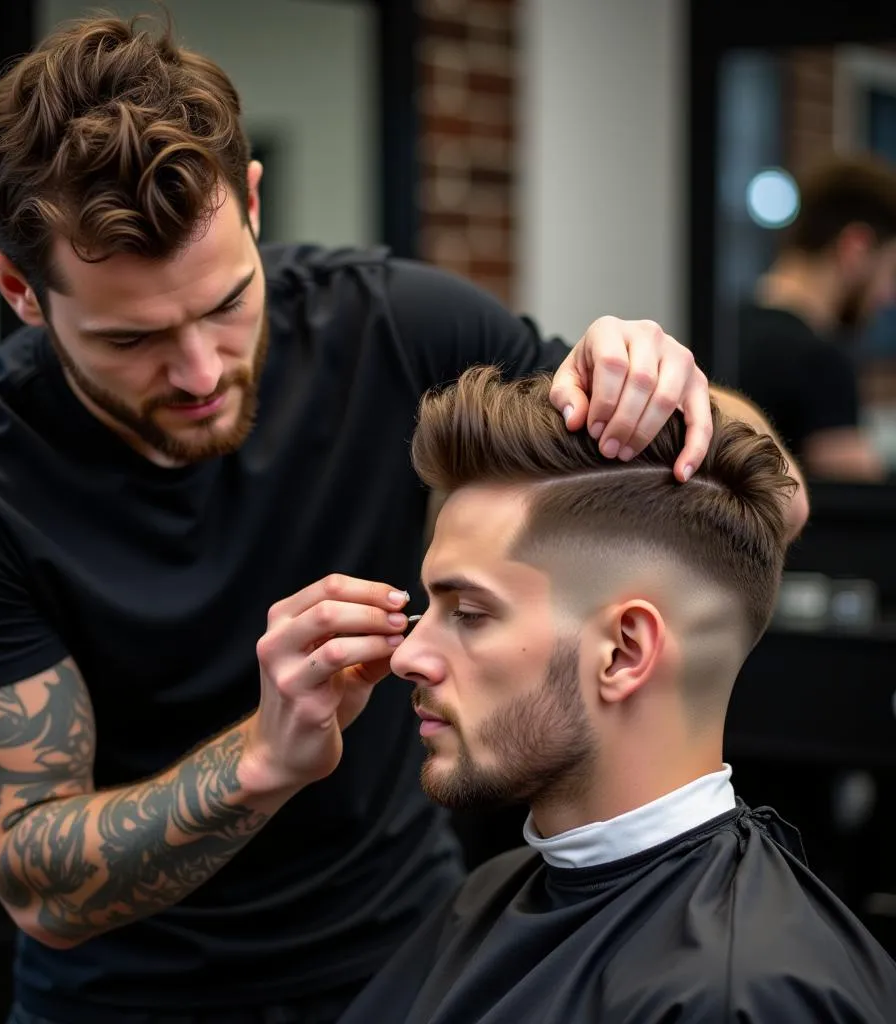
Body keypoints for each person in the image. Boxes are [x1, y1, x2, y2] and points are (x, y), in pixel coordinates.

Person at [0, 13, 807, 1024]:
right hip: (126, 1003)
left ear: (250, 198)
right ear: (19, 288)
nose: (200, 371)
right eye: (132, 338)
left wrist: (667, 389)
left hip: (408, 969)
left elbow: (760, 500)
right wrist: (264, 760)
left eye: (228, 302)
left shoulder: (396, 328)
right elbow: (38, 884)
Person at [337, 366, 896, 1024]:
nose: (406, 654)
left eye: (469, 613)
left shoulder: (739, 995)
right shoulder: (488, 897)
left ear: (624, 652)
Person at [737, 154, 896, 480]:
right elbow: (860, 504)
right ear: (857, 247)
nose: (888, 296)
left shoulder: (725, 328)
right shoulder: (821, 362)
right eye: (891, 272)